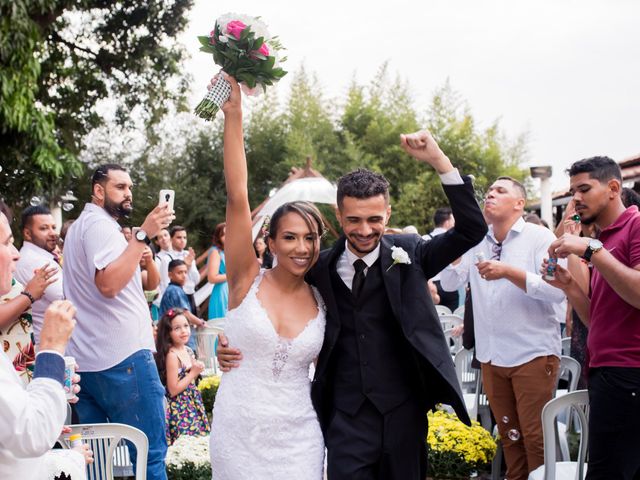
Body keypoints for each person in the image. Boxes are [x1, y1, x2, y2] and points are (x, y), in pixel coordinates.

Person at [218, 113, 488, 478]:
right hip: (344, 420)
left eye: (375, 219)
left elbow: (472, 229)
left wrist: (440, 161)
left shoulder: (411, 252)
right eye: (354, 220)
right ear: (340, 215)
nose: (365, 229)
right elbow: (270, 299)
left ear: (388, 213)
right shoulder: (317, 268)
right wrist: (235, 338)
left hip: (404, 414)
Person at [209, 74, 327, 479]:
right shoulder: (246, 279)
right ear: (271, 242)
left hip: (301, 435)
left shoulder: (328, 294)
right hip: (239, 429)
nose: (301, 247)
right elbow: (237, 196)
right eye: (290, 237)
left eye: (310, 238)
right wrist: (234, 116)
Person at [439, 176, 566, 480]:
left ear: (519, 204)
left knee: (535, 437)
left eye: (500, 191)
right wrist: (454, 246)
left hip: (532, 353)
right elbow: (449, 282)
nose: (490, 195)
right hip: (492, 355)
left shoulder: (539, 237)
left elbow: (557, 292)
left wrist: (509, 272)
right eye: (490, 191)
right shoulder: (476, 239)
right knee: (508, 434)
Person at [63, 163, 174, 480]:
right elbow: (109, 285)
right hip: (122, 360)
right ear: (99, 191)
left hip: (88, 362)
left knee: (96, 464)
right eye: (120, 187)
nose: (129, 194)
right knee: (150, 455)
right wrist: (143, 234)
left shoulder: (83, 227)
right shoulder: (99, 225)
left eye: (130, 187)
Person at [544, 156, 640, 479]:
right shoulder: (605, 238)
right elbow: (596, 318)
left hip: (629, 373)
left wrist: (590, 250)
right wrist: (570, 286)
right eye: (573, 191)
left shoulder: (635, 225)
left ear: (614, 188)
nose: (576, 200)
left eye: (584, 189)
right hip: (607, 372)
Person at [0, 210, 92, 478]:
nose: (15, 253)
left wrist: (47, 396)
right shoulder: (30, 262)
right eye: (6, 243)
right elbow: (30, 434)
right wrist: (51, 348)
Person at [155, 308, 209, 445]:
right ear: (168, 333)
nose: (184, 331)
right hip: (181, 410)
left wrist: (196, 370)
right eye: (177, 328)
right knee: (187, 443)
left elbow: (191, 379)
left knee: (199, 441)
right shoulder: (172, 355)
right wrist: (193, 373)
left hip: (193, 404)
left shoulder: (187, 350)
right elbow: (173, 389)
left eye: (186, 326)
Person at [15, 205, 64, 345]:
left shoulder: (39, 257)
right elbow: (68, 298)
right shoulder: (35, 261)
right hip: (48, 344)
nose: (53, 233)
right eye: (44, 228)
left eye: (53, 227)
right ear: (27, 234)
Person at [159, 259, 206, 351]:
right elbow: (185, 313)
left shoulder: (174, 289)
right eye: (179, 272)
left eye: (185, 272)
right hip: (179, 338)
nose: (184, 276)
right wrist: (201, 323)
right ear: (170, 275)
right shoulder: (175, 291)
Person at [427, 206, 460, 311]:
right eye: (453, 220)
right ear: (447, 222)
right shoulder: (455, 240)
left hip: (431, 286)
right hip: (450, 288)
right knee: (452, 319)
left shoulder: (424, 239)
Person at [207, 222, 228, 320]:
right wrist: (234, 275)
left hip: (233, 291)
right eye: (223, 235)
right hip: (222, 292)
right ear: (218, 237)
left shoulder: (231, 251)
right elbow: (212, 277)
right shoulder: (216, 251)